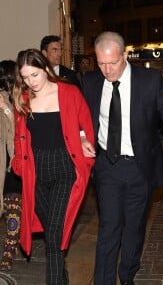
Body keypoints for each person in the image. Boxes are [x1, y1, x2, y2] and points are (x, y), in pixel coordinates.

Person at [81, 31, 163, 285]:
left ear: (125, 56)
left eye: (113, 62)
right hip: (107, 167)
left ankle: (127, 273)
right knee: (108, 227)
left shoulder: (150, 81)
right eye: (101, 63)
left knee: (134, 227)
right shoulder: (90, 81)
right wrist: (81, 136)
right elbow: (80, 117)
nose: (107, 70)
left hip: (139, 167)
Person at [11, 49, 95, 285]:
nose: (30, 82)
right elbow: (20, 137)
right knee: (52, 232)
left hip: (63, 168)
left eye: (34, 75)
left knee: (56, 234)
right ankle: (61, 272)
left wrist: (82, 138)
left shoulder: (68, 92)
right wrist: (18, 162)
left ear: (46, 69)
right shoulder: (23, 98)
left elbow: (84, 123)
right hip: (35, 172)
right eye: (25, 77)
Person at [0, 60, 22, 271]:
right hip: (2, 167)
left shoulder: (18, 102)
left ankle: (8, 250)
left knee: (14, 209)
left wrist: (7, 110)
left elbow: (19, 136)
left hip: (14, 167)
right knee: (10, 209)